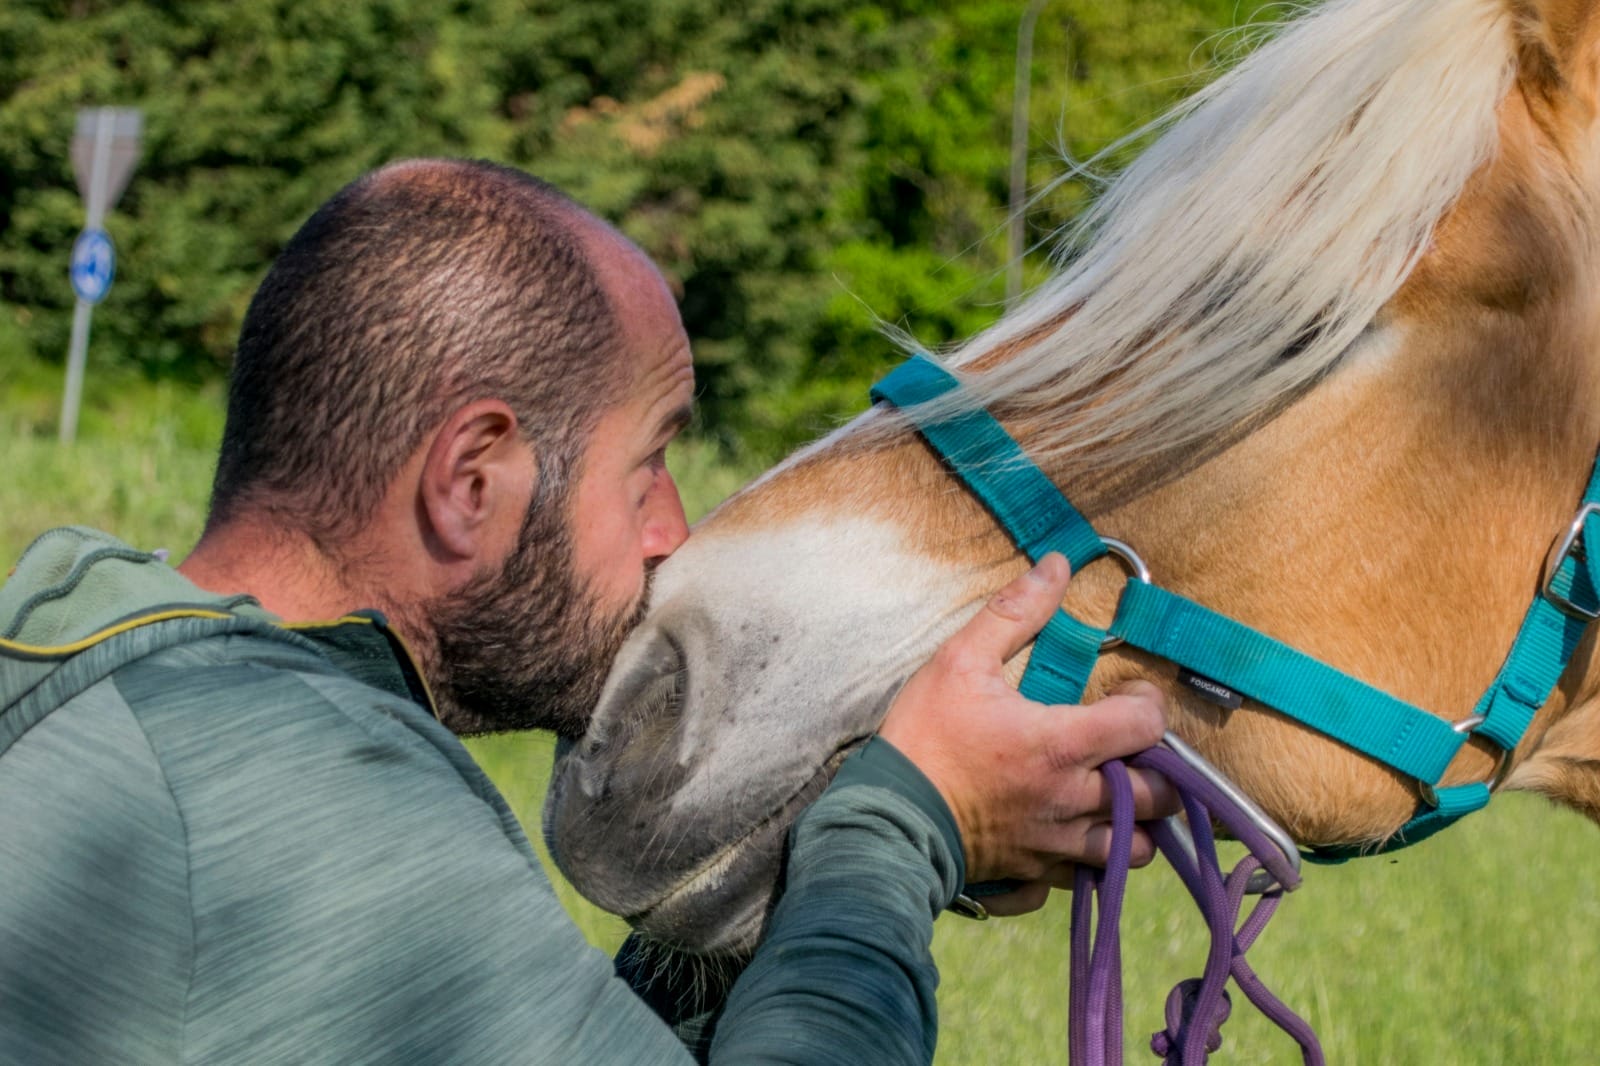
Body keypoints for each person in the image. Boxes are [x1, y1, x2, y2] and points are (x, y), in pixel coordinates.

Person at [0, 158, 1175, 1063]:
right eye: (649, 461)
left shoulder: (94, 662)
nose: (673, 529)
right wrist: (906, 825)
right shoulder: (282, 787)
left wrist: (788, 860)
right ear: (472, 482)